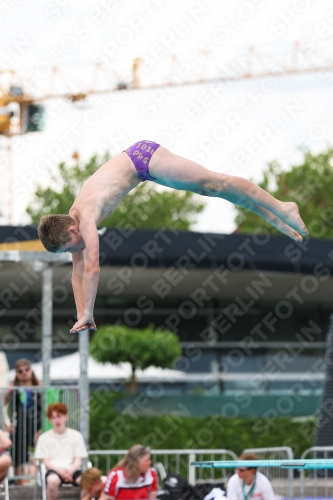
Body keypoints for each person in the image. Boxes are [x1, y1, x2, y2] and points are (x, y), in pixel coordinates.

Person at [37, 140, 309, 333]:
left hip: (144, 159)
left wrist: (89, 312)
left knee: (215, 182)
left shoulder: (85, 218)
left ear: (72, 231)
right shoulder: (73, 222)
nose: (74, 252)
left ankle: (282, 207)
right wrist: (81, 315)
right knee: (211, 190)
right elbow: (77, 274)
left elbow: (92, 268)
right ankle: (273, 216)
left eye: (69, 248)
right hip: (140, 167)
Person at [34, 403, 88, 500]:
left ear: (66, 417)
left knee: (87, 482)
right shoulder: (44, 438)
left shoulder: (76, 435)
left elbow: (78, 459)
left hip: (73, 470)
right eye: (53, 417)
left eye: (59, 416)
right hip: (53, 470)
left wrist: (70, 471)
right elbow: (46, 461)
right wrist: (62, 472)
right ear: (50, 420)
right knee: (52, 481)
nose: (57, 420)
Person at [6, 358, 42, 484]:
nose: (24, 372)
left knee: (41, 454)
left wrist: (44, 428)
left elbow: (49, 407)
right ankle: (19, 486)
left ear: (31, 370)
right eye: (20, 371)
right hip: (18, 428)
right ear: (16, 373)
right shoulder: (12, 389)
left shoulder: (40, 387)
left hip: (37, 427)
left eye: (26, 369)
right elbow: (1, 405)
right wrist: (6, 426)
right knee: (17, 458)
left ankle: (39, 483)